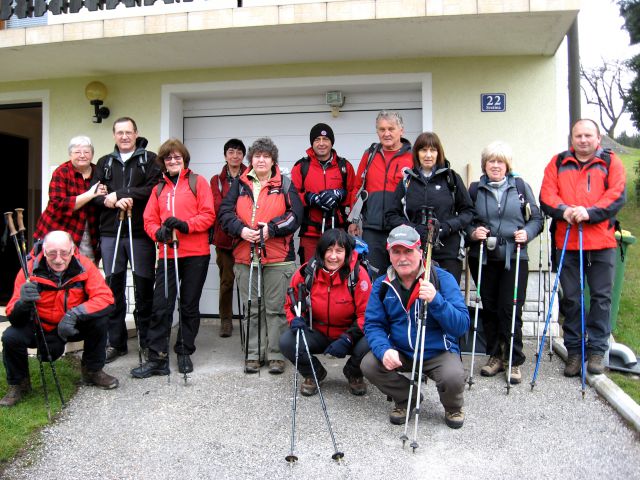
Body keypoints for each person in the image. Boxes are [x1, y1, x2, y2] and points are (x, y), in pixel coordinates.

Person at [540, 119, 626, 377]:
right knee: (572, 300)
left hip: (602, 242)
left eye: (588, 135)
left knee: (601, 298)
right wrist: (565, 210)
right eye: (578, 136)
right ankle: (575, 352)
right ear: (572, 138)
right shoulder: (558, 162)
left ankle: (598, 351)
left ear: (598, 138)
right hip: (567, 242)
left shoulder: (611, 162)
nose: (583, 140)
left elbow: (617, 195)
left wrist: (589, 213)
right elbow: (547, 196)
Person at [361, 225, 469, 428]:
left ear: (420, 252)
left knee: (453, 376)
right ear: (389, 254)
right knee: (369, 364)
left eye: (408, 251)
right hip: (402, 351)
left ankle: (453, 406)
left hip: (438, 352)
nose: (402, 258)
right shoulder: (382, 284)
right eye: (396, 251)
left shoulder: (442, 279)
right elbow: (374, 324)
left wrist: (437, 300)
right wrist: (384, 350)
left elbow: (461, 325)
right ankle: (407, 398)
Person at [1, 231, 117, 407]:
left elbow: (105, 298)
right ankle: (19, 384)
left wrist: (74, 315)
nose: (58, 259)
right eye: (52, 253)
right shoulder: (29, 269)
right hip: (39, 326)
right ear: (44, 251)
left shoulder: (84, 266)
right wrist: (23, 303)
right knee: (10, 337)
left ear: (72, 250)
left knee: (99, 321)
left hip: (70, 326)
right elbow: (13, 315)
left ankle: (92, 371)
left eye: (64, 253)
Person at [130, 139, 215, 378]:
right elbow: (149, 219)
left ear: (184, 160)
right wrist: (158, 232)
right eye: (168, 158)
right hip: (167, 253)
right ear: (163, 163)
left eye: (177, 157)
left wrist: (185, 225)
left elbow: (208, 215)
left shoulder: (198, 183)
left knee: (188, 305)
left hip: (195, 254)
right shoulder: (159, 189)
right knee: (161, 305)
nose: (173, 161)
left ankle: (184, 350)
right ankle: (157, 357)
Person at [219, 137, 303, 375]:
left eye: (266, 156)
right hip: (246, 257)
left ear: (273, 159)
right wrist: (241, 230)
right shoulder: (239, 184)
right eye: (257, 156)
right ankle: (253, 354)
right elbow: (225, 213)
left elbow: (295, 215)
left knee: (276, 309)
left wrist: (271, 229)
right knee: (252, 308)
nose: (261, 160)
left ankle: (276, 355)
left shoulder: (285, 184)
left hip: (278, 258)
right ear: (251, 160)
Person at [466, 141, 543, 383]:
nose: (496, 166)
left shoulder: (520, 187)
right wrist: (472, 232)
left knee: (510, 308)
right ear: (485, 164)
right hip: (483, 256)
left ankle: (514, 359)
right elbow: (465, 219)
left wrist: (527, 233)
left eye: (500, 161)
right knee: (489, 307)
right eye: (491, 161)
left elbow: (538, 218)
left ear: (507, 165)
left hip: (515, 255)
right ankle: (495, 356)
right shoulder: (475, 189)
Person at [92, 117, 162, 363]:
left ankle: (145, 341)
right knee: (113, 288)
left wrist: (120, 194)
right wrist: (109, 200)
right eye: (119, 132)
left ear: (136, 133)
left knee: (144, 288)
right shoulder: (104, 163)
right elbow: (95, 195)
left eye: (128, 132)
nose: (124, 136)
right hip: (111, 233)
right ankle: (116, 342)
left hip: (140, 233)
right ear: (114, 135)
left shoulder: (150, 159)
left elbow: (154, 189)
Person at [279, 229, 371, 396]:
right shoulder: (307, 272)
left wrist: (348, 338)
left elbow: (367, 315)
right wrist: (294, 320)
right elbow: (290, 303)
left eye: (339, 251)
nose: (333, 256)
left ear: (347, 253)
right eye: (328, 250)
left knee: (372, 340)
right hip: (318, 332)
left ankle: (354, 373)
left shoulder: (358, 275)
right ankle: (314, 373)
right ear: (321, 251)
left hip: (349, 334)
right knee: (287, 341)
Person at [386, 131, 474, 283]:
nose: (428, 155)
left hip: (447, 251)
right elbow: (391, 215)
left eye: (433, 150)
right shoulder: (407, 181)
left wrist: (447, 227)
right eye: (423, 150)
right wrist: (413, 229)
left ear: (438, 153)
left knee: (447, 298)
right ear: (417, 153)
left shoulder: (451, 178)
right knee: (418, 298)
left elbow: (468, 212)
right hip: (415, 251)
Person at [348, 110, 413, 277]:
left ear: (401, 130)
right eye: (382, 129)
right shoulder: (370, 154)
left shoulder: (412, 157)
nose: (387, 133)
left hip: (402, 228)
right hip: (372, 229)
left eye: (391, 129)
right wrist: (354, 220)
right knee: (373, 278)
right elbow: (357, 188)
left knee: (402, 277)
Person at [33, 136, 107, 263]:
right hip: (58, 231)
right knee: (56, 270)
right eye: (77, 152)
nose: (82, 155)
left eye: (87, 152)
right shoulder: (61, 172)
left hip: (89, 234)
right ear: (70, 154)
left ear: (92, 154)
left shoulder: (98, 172)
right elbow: (58, 206)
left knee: (85, 271)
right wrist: (90, 194)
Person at [291, 123, 356, 263]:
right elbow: (292, 196)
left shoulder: (344, 166)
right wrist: (309, 198)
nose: (321, 143)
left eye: (325, 139)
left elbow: (354, 195)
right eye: (317, 139)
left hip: (338, 232)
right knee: (310, 274)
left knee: (338, 272)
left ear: (331, 142)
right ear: (312, 143)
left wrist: (340, 194)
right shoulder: (301, 166)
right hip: (310, 233)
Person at [210, 138, 248, 338]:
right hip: (224, 239)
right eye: (231, 152)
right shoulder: (216, 180)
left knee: (249, 281)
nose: (235, 156)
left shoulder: (251, 176)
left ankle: (250, 318)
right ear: (225, 155)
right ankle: (225, 320)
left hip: (247, 237)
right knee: (226, 281)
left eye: (239, 152)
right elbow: (217, 206)